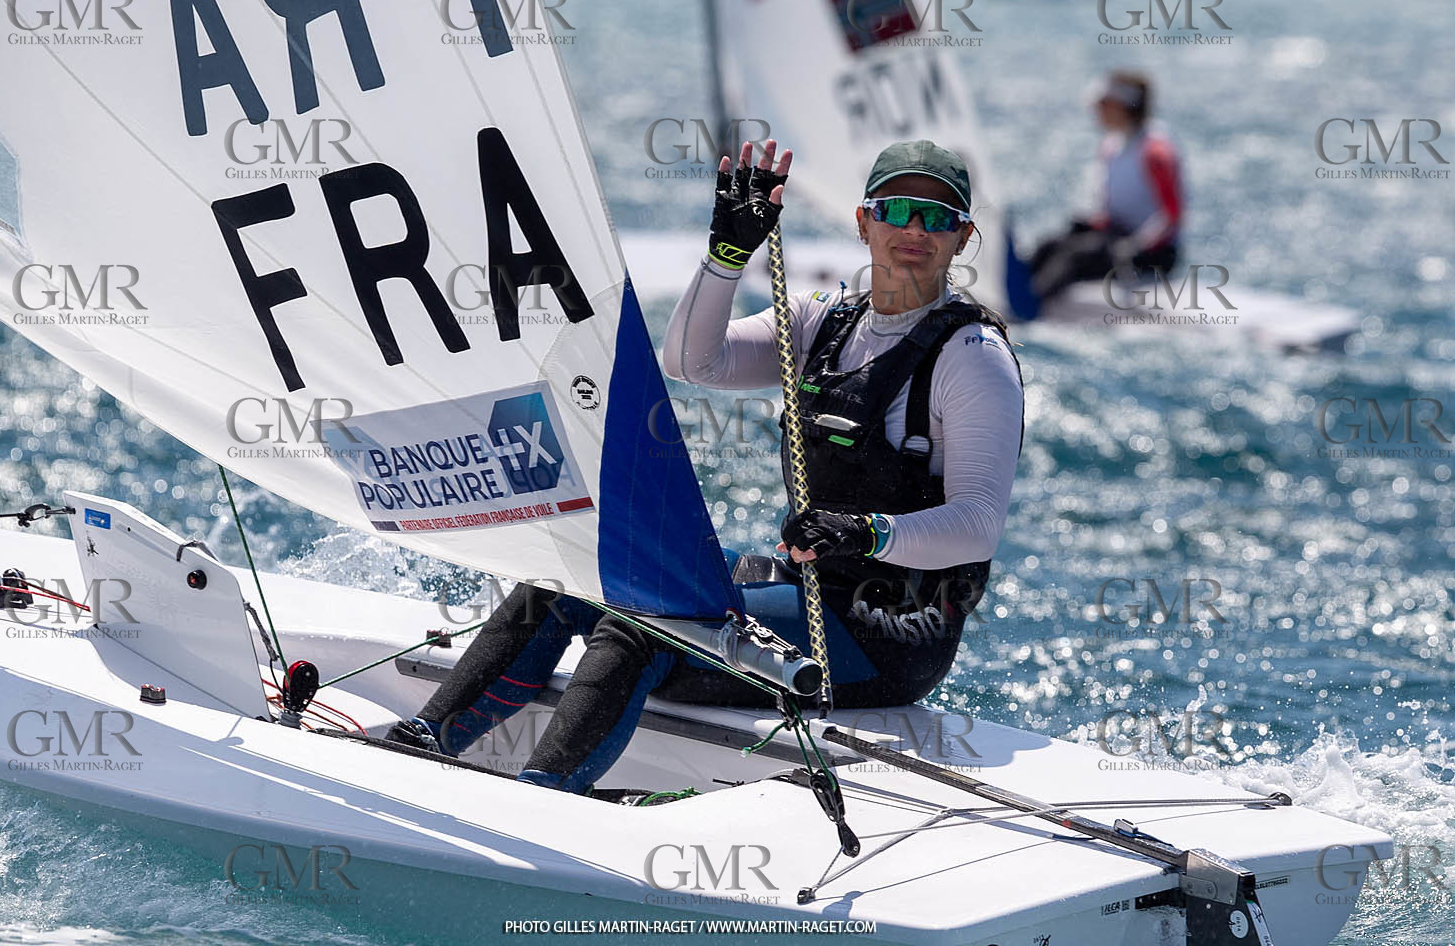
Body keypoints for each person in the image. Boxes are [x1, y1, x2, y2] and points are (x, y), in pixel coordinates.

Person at [387, 138, 1023, 791]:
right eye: (897, 210)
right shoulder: (823, 322)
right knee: (571, 579)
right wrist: (727, 255)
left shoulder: (973, 358)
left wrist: (867, 532)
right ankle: (424, 740)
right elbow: (694, 362)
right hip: (804, 592)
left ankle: (544, 795)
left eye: (939, 218)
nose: (916, 229)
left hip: (889, 635)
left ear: (963, 237)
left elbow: (977, 526)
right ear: (864, 222)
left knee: (640, 632)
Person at [1026, 70, 1185, 306]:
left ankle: (1028, 308)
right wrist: (1094, 223)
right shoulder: (1111, 145)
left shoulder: (1155, 151)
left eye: (1103, 104)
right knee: (1049, 245)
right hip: (1118, 238)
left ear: (1122, 106)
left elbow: (1172, 216)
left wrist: (1136, 246)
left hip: (1152, 253)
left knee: (1075, 256)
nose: (1096, 110)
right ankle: (1014, 297)